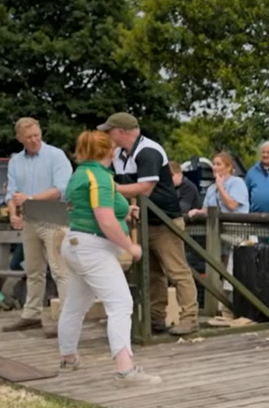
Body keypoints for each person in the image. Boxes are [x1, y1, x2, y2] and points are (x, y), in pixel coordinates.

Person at [57, 130, 160, 385]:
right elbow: (104, 220)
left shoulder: (79, 173)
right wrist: (130, 246)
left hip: (75, 243)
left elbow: (88, 210)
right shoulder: (100, 177)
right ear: (108, 151)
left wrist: (123, 214)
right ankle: (125, 369)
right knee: (121, 304)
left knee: (75, 305)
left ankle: (68, 358)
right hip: (93, 247)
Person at [100, 112, 199, 337]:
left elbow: (145, 189)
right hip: (143, 221)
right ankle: (156, 318)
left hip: (165, 221)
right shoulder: (119, 154)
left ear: (121, 132)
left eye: (109, 131)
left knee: (177, 270)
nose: (107, 135)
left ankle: (190, 318)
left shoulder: (149, 151)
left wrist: (109, 189)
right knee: (153, 273)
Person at [5, 117, 72, 335]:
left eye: (36, 135)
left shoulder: (56, 155)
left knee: (60, 269)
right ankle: (31, 314)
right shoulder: (15, 161)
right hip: (30, 219)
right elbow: (12, 193)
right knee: (33, 270)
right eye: (28, 137)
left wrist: (30, 199)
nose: (34, 140)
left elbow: (61, 188)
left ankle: (66, 319)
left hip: (54, 216)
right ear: (19, 139)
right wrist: (14, 214)